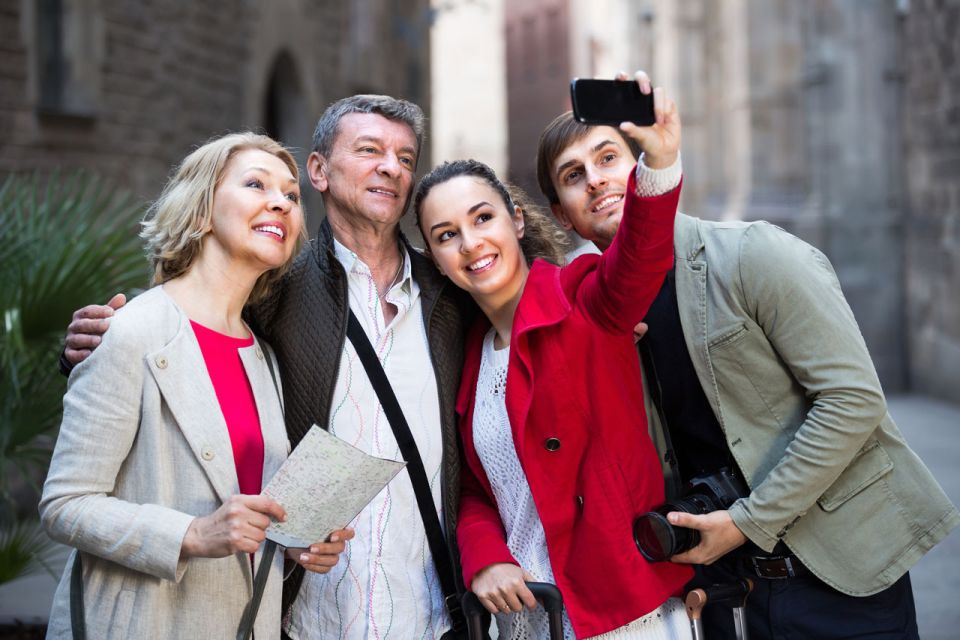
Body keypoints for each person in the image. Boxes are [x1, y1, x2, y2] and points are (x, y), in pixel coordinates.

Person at [534, 71, 960, 639]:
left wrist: (746, 522)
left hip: (844, 576)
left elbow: (852, 399)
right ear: (562, 214)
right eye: (573, 176)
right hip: (727, 596)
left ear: (640, 165)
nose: (595, 181)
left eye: (608, 157)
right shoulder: (594, 319)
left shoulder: (752, 253)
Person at [60, 96, 473, 640]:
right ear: (320, 171)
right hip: (302, 619)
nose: (391, 168)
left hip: (430, 612)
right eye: (370, 150)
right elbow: (178, 335)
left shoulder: (453, 295)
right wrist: (80, 349)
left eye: (405, 157)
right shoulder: (274, 291)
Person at [40, 132, 353, 639]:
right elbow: (64, 504)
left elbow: (247, 514)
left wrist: (291, 543)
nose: (281, 201)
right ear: (202, 210)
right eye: (256, 184)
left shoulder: (264, 357)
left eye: (292, 196)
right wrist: (192, 533)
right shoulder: (132, 332)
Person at [413, 79, 693, 640]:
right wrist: (485, 559)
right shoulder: (468, 358)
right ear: (436, 261)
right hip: (525, 618)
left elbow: (638, 258)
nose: (470, 243)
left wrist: (657, 166)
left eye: (482, 218)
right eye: (447, 235)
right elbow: (474, 490)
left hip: (621, 611)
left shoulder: (583, 297)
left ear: (516, 220)